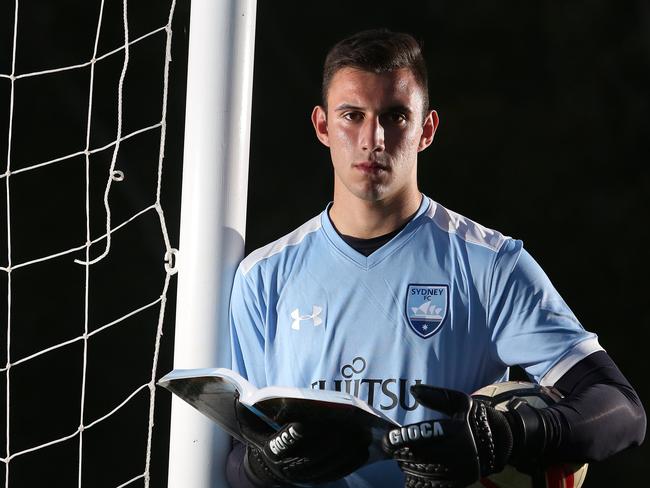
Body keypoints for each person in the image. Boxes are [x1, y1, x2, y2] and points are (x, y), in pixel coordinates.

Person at [226, 29, 646, 487]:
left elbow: (621, 409)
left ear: (426, 129)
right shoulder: (263, 278)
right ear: (323, 126)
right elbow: (229, 464)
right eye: (352, 116)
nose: (373, 139)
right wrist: (262, 467)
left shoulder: (489, 266)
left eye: (395, 117)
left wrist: (507, 435)